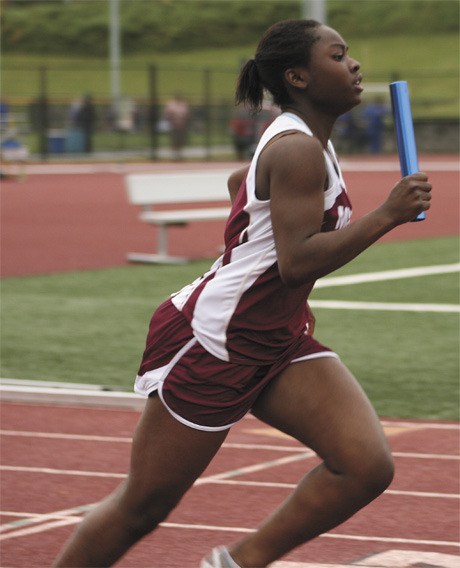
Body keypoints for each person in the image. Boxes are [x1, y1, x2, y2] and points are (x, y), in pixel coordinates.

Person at [53, 19, 431, 568]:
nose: (354, 66)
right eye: (338, 55)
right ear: (298, 76)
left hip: (275, 336)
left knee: (365, 464)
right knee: (144, 505)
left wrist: (255, 255)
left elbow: (243, 185)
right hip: (215, 341)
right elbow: (297, 261)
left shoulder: (305, 143)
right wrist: (388, 214)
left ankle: (236, 563)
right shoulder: (298, 148)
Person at [164, 94, 191, 160]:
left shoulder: (184, 105)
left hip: (182, 125)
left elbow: (187, 115)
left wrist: (184, 122)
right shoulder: (171, 104)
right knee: (174, 141)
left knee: (181, 140)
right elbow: (168, 115)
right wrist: (172, 122)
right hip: (173, 125)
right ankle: (174, 155)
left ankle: (180, 155)